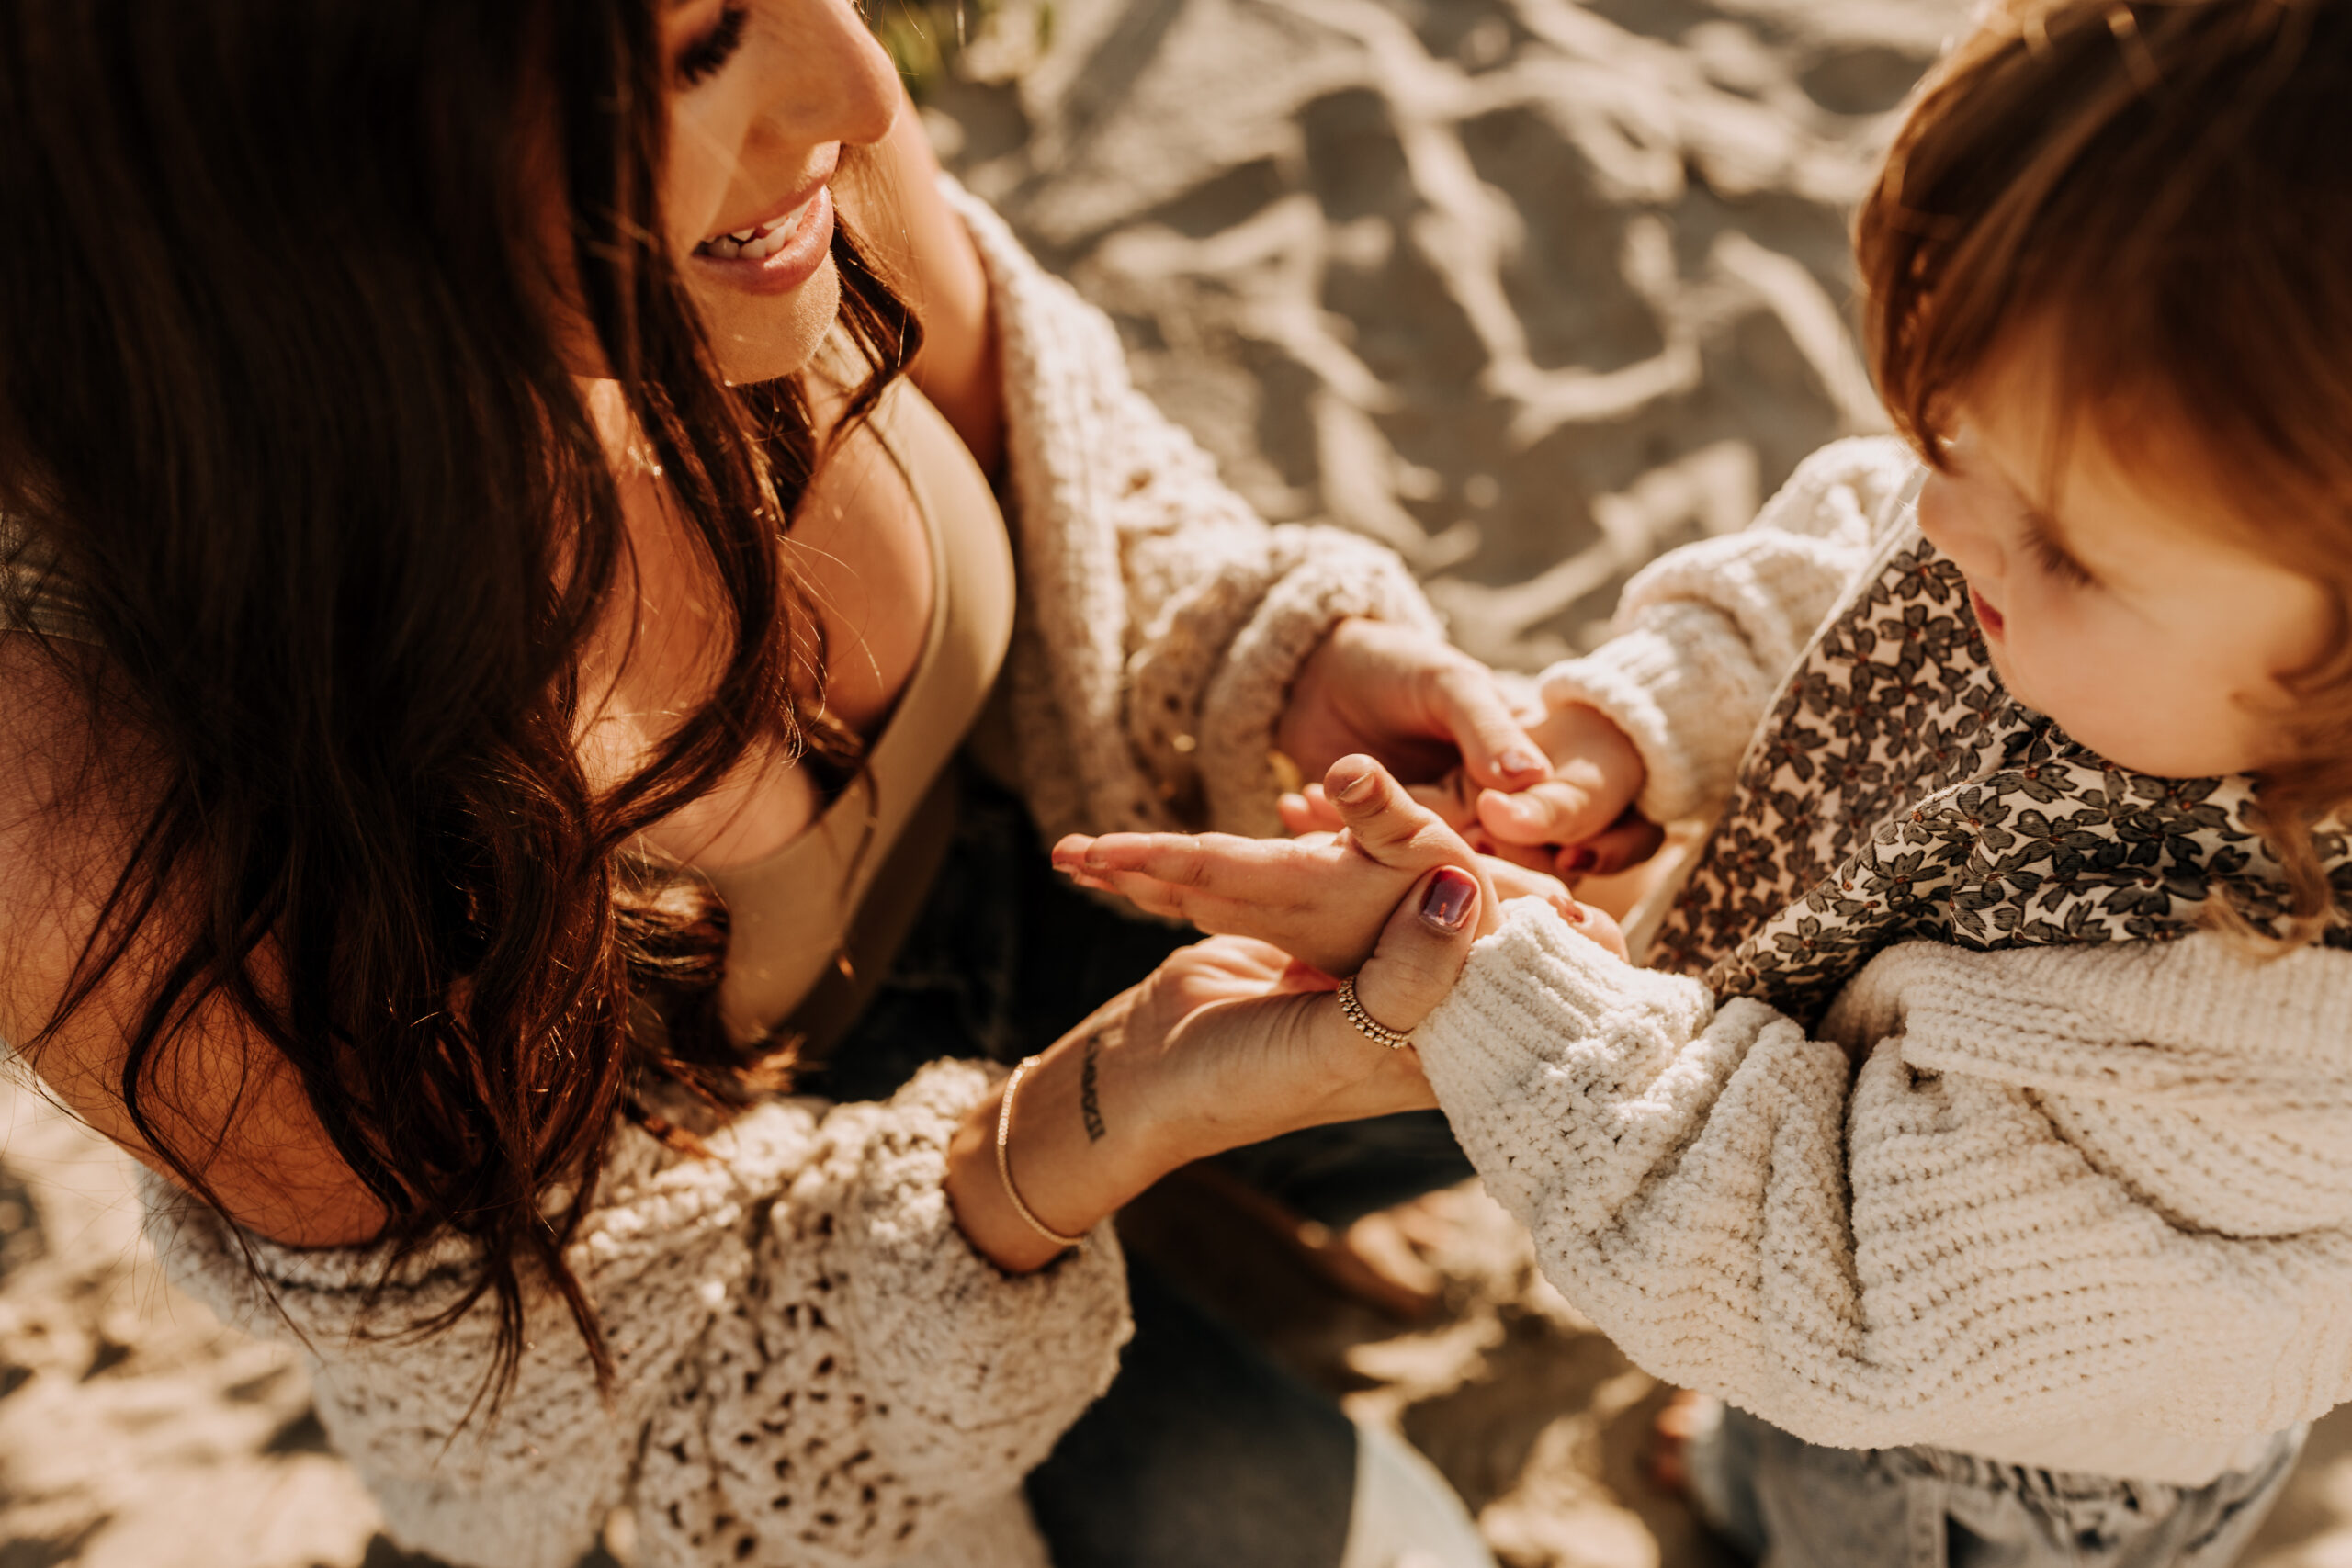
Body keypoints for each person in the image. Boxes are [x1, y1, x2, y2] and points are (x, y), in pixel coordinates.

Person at [0, 3, 1595, 1565]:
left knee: (1653, 945)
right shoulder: (89, 781)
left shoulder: (773, 191)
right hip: (764, 1248)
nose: (852, 85)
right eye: (691, 51)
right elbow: (558, 1444)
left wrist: (1269, 657)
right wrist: (1080, 1127)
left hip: (1083, 880)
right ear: (319, 151)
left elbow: (1081, 489)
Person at [1052, 1, 2352, 1562]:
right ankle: (1741, 1469)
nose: (1941, 518)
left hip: (1978, 1469)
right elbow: (1845, 562)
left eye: (2059, 544)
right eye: (1946, 423)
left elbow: (1829, 1259)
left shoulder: (2278, 1039)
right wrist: (1632, 732)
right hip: (1833, 1200)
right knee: (1766, 1440)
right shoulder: (2085, 528)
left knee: (1831, 1504)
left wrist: (1474, 971)